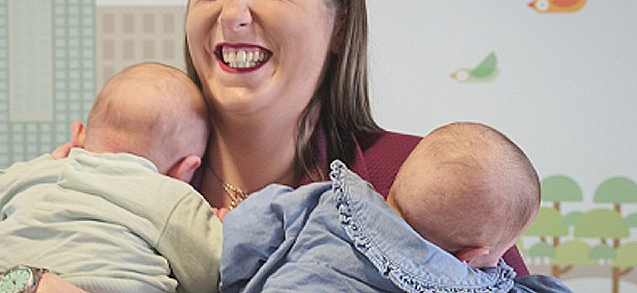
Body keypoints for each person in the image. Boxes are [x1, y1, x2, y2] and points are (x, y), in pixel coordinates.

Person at [0, 0, 529, 292]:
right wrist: (31, 285)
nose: (232, 13)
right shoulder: (115, 164)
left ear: (338, 23)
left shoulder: (418, 179)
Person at [220, 122, 572, 292]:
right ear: (472, 256)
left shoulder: (323, 202)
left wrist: (227, 227)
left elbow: (242, 239)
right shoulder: (466, 284)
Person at [0, 62, 221, 293]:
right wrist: (218, 228)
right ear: (186, 168)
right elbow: (209, 274)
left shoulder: (38, 173)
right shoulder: (171, 196)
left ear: (79, 133)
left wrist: (41, 165)